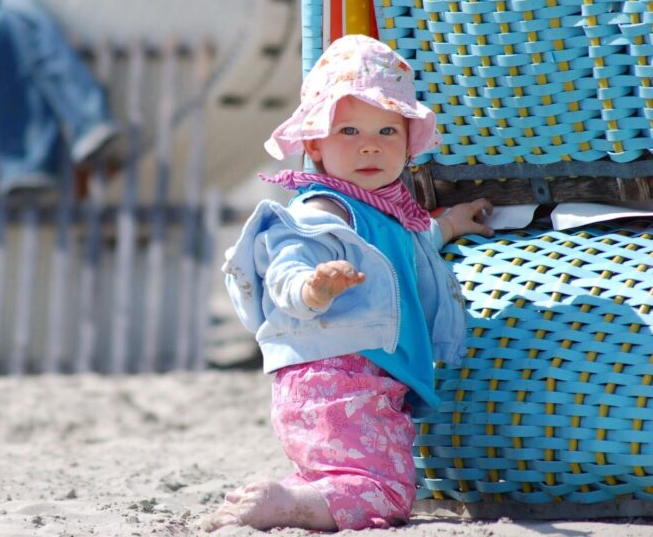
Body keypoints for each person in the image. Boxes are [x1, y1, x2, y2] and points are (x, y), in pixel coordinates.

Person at [205, 34, 495, 532]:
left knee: (342, 474)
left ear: (408, 142)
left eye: (387, 130)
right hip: (340, 379)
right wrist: (313, 289)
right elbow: (286, 269)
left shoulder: (381, 208)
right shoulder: (322, 209)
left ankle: (295, 496)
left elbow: (410, 245)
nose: (370, 144)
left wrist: (451, 224)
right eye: (349, 131)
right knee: (386, 491)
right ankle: (287, 504)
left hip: (344, 381)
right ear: (314, 142)